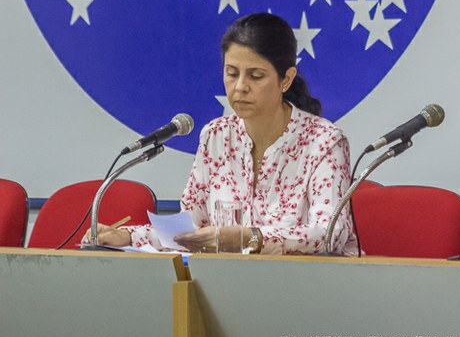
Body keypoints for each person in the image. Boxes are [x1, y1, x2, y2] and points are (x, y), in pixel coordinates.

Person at [85, 13, 358, 255]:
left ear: (285, 79)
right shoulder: (216, 135)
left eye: (256, 76)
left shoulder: (324, 141)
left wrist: (250, 239)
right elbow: (192, 228)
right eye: (231, 73)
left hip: (306, 290)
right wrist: (127, 235)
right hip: (227, 283)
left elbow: (329, 234)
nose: (240, 87)